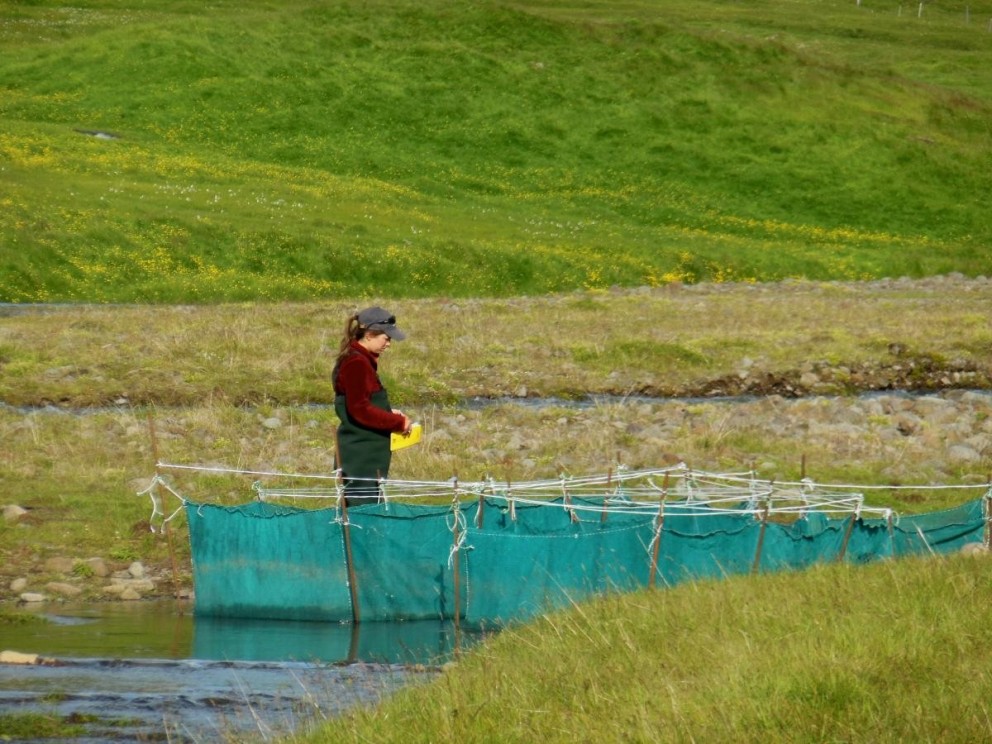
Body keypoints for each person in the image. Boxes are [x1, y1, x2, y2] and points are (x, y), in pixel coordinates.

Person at [332, 306, 412, 505]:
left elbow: (362, 401)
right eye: (386, 338)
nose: (389, 344)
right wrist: (398, 422)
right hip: (361, 456)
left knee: (366, 505)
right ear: (369, 335)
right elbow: (359, 409)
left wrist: (387, 412)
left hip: (366, 453)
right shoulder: (356, 364)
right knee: (361, 509)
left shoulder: (360, 359)